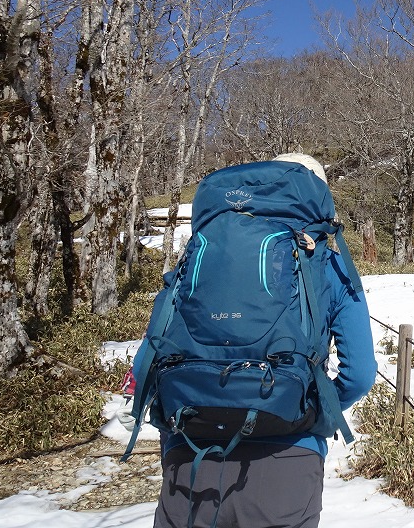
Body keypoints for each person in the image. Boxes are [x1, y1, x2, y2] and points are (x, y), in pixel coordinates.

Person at [122, 153, 376, 528]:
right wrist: (309, 410)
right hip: (287, 462)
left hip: (189, 456)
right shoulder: (330, 267)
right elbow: (360, 374)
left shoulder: (196, 261)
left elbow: (148, 363)